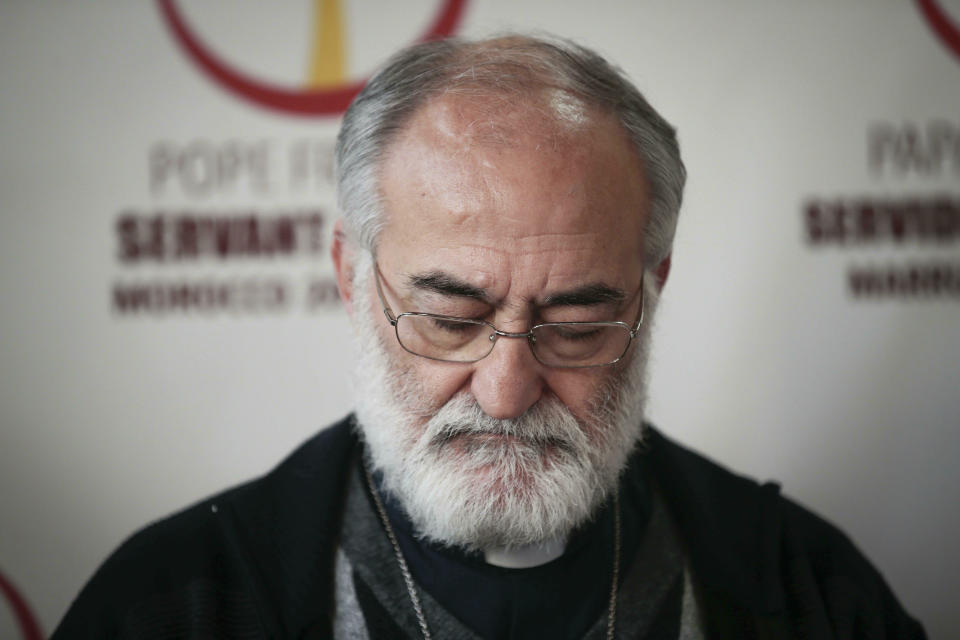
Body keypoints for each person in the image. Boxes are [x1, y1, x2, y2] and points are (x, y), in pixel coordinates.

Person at [54, 34, 925, 639]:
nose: (506, 390)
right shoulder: (171, 605)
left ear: (651, 291)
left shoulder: (809, 592)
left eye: (578, 327)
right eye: (449, 320)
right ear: (352, 275)